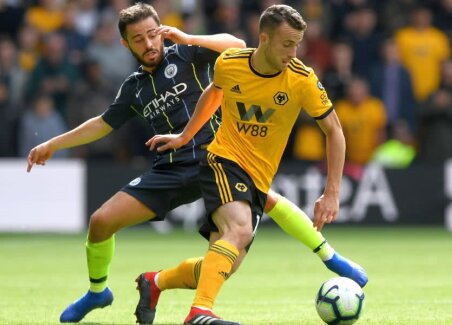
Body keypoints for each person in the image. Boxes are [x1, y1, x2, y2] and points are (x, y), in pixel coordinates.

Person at [26, 3, 367, 324]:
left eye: (152, 33)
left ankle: (159, 282)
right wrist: (53, 144)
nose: (148, 43)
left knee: (231, 252)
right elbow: (102, 123)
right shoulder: (135, 88)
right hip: (172, 168)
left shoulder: (188, 53)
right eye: (138, 39)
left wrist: (187, 37)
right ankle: (98, 293)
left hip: (217, 153)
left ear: (163, 30)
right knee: (101, 222)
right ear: (126, 44)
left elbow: (235, 43)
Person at [146, 4, 363, 324]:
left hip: (258, 177)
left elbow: (334, 131)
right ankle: (199, 313)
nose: (294, 52)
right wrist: (185, 136)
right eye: (287, 44)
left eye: (297, 44)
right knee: (239, 228)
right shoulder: (231, 63)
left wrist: (331, 192)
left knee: (223, 265)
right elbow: (214, 93)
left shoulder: (302, 79)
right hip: (223, 159)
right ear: (264, 38)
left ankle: (155, 282)